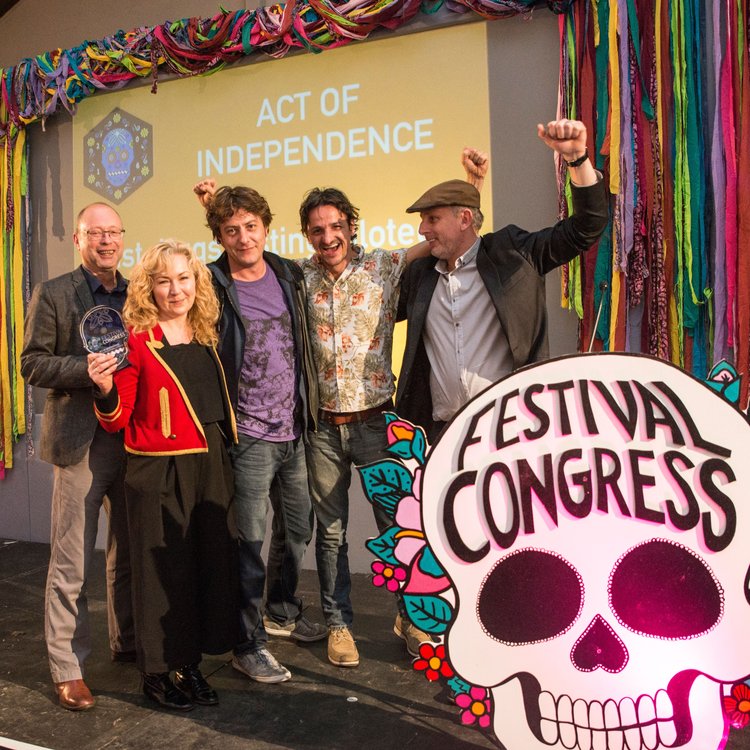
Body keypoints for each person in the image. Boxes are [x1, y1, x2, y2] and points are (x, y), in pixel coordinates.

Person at [298, 149, 488, 668]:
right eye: (317, 230)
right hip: (322, 430)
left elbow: (447, 234)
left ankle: (412, 619)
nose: (328, 237)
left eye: (336, 226)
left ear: (351, 226)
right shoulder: (298, 278)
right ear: (308, 236)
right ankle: (339, 624)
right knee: (331, 533)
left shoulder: (383, 265)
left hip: (379, 423)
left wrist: (472, 184)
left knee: (399, 527)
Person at [88, 240, 240, 711]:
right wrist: (104, 388)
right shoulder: (136, 340)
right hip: (158, 469)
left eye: (184, 279)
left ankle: (187, 664)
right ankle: (155, 673)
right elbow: (116, 418)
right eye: (164, 281)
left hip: (209, 465)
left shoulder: (205, 332)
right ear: (148, 288)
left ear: (197, 283)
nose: (176, 290)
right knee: (161, 576)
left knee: (204, 567)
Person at [395, 119, 609, 439]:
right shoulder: (420, 276)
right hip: (441, 435)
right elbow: (370, 296)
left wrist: (577, 159)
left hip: (511, 429)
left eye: (432, 219)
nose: (422, 229)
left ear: (465, 219)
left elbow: (586, 228)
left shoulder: (512, 254)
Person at [196, 185, 324, 684]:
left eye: (251, 226)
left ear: (266, 228)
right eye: (231, 230)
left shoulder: (289, 274)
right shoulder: (212, 283)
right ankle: (246, 644)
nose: (244, 238)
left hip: (294, 428)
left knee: (298, 530)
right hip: (247, 435)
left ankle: (283, 610)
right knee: (248, 543)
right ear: (220, 237)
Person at [20, 203, 135, 711]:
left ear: (122, 237)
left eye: (113, 232)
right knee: (72, 561)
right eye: (96, 233)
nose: (106, 241)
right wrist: (83, 369)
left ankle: (127, 641)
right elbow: (31, 364)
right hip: (80, 443)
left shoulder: (136, 294)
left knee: (127, 553)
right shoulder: (53, 292)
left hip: (132, 438)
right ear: (78, 238)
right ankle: (68, 668)